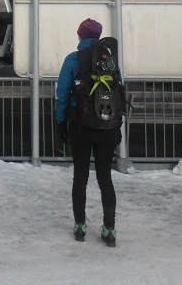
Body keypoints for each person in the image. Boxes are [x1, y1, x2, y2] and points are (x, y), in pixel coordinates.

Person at [55, 18, 122, 246]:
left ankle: (80, 225)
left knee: (80, 177)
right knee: (105, 178)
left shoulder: (73, 60)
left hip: (80, 127)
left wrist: (60, 122)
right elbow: (119, 92)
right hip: (107, 126)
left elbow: (62, 94)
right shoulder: (110, 61)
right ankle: (109, 229)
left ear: (80, 36)